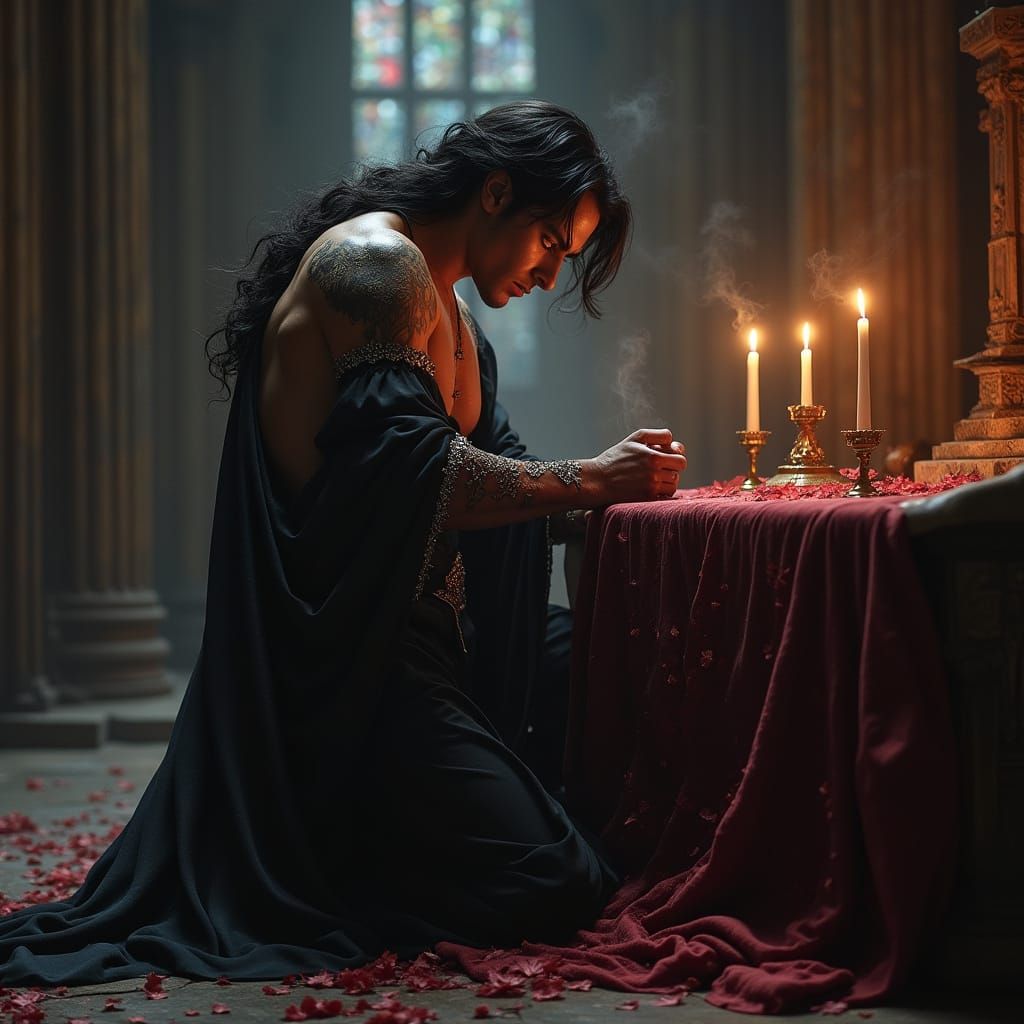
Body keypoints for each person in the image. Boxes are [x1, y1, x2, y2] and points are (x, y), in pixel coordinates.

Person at [0, 100, 686, 985]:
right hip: (347, 669)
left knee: (608, 669)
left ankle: (427, 824)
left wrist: (641, 497)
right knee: (553, 881)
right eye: (551, 240)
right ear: (498, 192)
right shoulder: (375, 266)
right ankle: (349, 859)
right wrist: (596, 478)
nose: (552, 275)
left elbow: (504, 487)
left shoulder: (459, 322)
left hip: (438, 642)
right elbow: (425, 476)